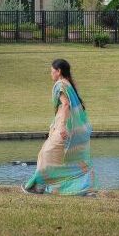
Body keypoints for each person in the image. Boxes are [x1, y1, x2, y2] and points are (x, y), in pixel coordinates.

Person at [23, 58, 96, 196]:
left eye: (52, 71)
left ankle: (38, 186)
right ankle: (85, 189)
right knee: (72, 160)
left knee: (46, 154)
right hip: (79, 130)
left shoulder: (60, 84)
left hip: (67, 128)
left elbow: (66, 105)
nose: (51, 74)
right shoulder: (69, 84)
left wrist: (61, 126)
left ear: (59, 71)